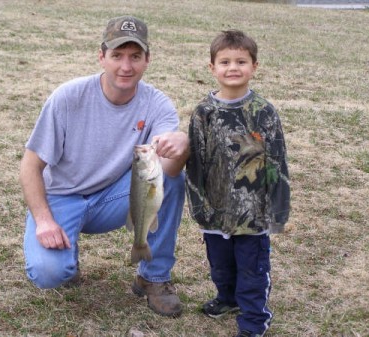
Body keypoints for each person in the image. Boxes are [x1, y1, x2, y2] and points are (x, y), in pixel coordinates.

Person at [20, 15, 189, 318]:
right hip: (61, 197)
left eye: (135, 56)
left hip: (114, 197)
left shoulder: (157, 104)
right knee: (48, 273)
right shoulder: (68, 97)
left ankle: (153, 276)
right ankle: (65, 249)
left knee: (171, 179)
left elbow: (169, 168)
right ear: (101, 56)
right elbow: (30, 166)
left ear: (147, 59)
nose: (126, 66)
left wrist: (181, 146)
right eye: (117, 55)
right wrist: (44, 220)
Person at [185, 30, 290, 336]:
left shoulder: (263, 113)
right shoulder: (203, 113)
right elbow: (196, 164)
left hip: (252, 215)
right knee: (220, 265)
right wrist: (198, 205)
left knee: (252, 268)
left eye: (241, 61)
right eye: (225, 61)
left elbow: (276, 163)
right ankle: (227, 298)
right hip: (214, 211)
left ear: (254, 66)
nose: (233, 67)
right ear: (212, 67)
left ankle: (254, 319)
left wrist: (276, 210)